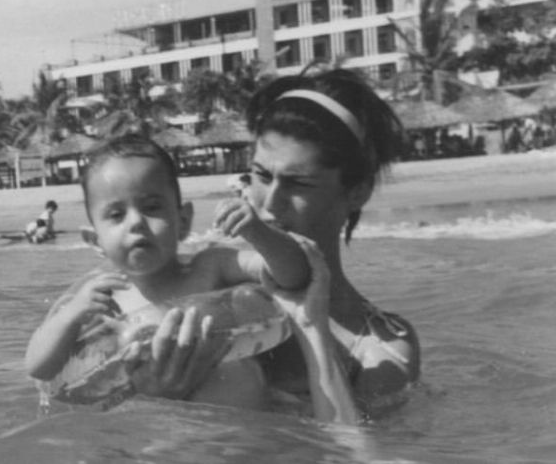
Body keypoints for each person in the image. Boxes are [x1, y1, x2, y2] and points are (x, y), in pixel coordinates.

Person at [25, 134, 356, 420]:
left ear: (183, 221)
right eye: (116, 214)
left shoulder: (211, 266)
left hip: (243, 434)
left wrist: (257, 231)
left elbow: (294, 277)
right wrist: (70, 315)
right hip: (164, 436)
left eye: (152, 207)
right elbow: (39, 369)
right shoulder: (99, 298)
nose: (136, 222)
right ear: (94, 240)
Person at [243, 68, 421, 418]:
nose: (269, 203)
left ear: (358, 192)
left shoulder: (379, 348)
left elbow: (360, 454)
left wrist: (314, 332)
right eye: (262, 175)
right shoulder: (216, 281)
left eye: (298, 184)